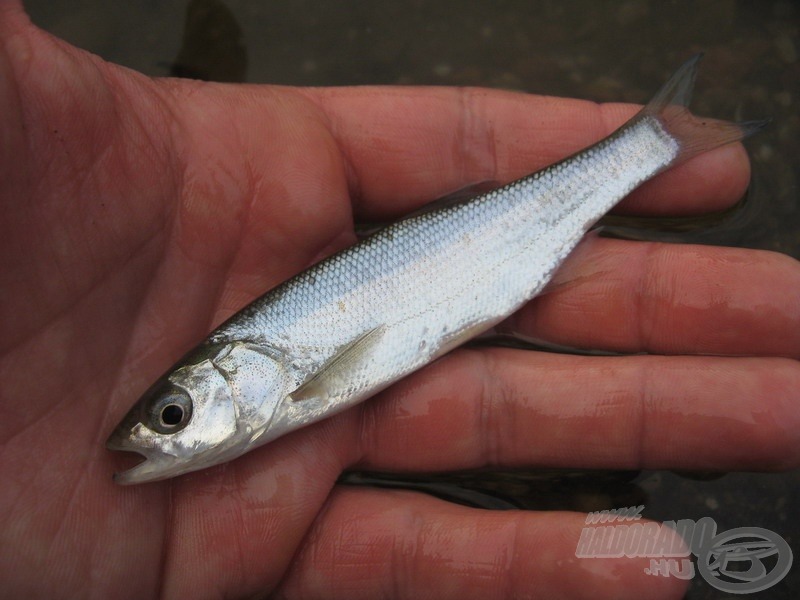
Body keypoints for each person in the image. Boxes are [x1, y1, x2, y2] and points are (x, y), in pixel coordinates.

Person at [1, 2, 798, 598]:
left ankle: (653, 142)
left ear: (236, 373)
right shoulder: (264, 388)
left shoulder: (280, 382)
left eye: (172, 416)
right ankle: (657, 139)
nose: (166, 431)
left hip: (486, 257)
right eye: (171, 419)